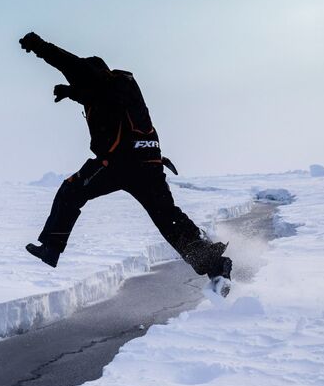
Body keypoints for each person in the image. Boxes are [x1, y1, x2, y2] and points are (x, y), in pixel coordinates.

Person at [19, 32, 232, 283]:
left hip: (119, 163)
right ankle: (214, 266)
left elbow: (65, 61)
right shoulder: (119, 87)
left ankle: (50, 249)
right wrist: (70, 92)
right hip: (150, 161)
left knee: (71, 190)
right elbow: (93, 94)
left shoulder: (92, 75)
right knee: (167, 217)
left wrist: (38, 45)